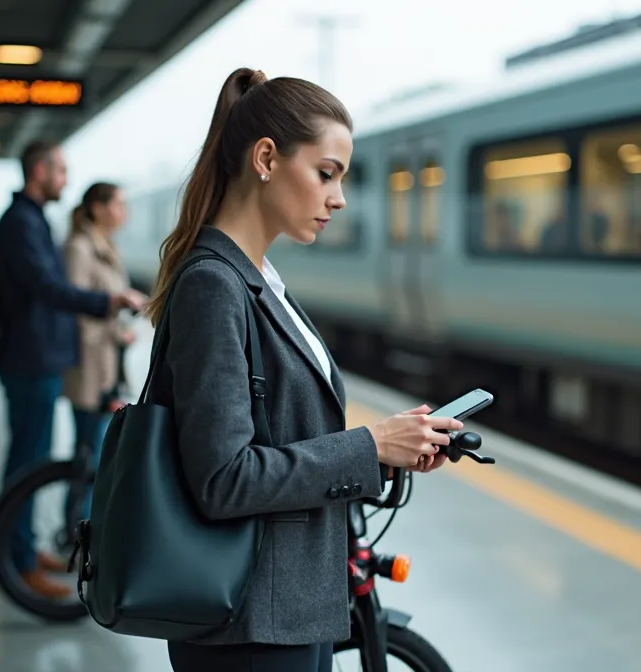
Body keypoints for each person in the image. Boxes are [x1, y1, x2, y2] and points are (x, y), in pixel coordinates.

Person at [143, 67, 463, 672]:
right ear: (266, 158)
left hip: (288, 609)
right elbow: (224, 478)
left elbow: (283, 436)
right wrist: (367, 445)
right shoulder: (215, 285)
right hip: (249, 628)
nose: (338, 197)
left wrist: (387, 450)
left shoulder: (259, 281)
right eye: (326, 174)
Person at [0, 140, 146, 599]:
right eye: (60, 170)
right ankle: (17, 563)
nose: (65, 179)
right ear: (39, 171)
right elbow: (46, 287)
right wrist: (109, 301)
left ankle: (24, 547)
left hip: (38, 356)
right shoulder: (21, 222)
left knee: (32, 459)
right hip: (30, 356)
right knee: (26, 464)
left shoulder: (30, 219)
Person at [61, 181, 134, 517]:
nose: (124, 211)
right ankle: (77, 531)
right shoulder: (79, 248)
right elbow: (76, 313)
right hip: (89, 369)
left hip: (105, 368)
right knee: (90, 455)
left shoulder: (105, 245)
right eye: (118, 204)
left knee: (96, 453)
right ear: (98, 208)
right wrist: (115, 332)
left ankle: (82, 529)